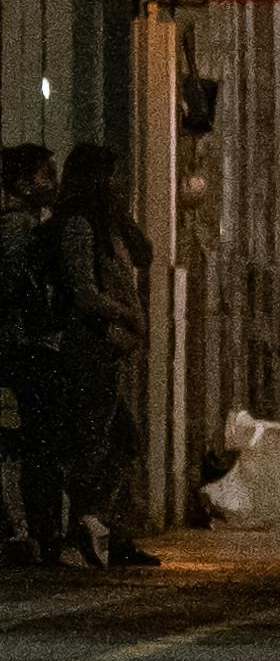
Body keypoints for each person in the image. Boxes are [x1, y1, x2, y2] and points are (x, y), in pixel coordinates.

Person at [48, 141, 159, 569]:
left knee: (119, 440)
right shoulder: (77, 226)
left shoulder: (107, 225)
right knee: (96, 441)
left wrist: (122, 217)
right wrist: (128, 314)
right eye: (112, 176)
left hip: (108, 350)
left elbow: (146, 254)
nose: (121, 184)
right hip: (87, 347)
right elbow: (84, 293)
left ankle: (98, 525)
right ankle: (84, 529)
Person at [0, 143, 62, 569]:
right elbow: (14, 287)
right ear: (22, 183)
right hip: (22, 346)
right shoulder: (19, 229)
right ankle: (32, 531)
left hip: (23, 343)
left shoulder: (26, 225)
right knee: (33, 440)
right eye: (45, 175)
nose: (52, 184)